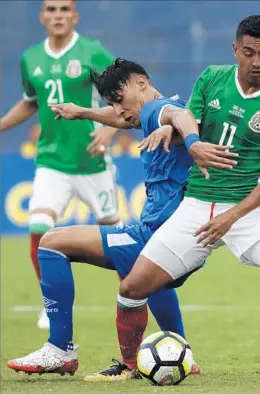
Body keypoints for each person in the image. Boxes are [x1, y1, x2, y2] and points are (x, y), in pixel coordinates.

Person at [112, 16, 260, 381]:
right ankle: (129, 365)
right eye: (248, 52)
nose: (256, 62)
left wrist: (231, 217)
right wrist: (174, 130)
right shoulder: (212, 78)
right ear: (235, 50)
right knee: (132, 287)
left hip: (248, 207)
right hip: (196, 204)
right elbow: (189, 118)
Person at [7, 58, 237, 377]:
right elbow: (134, 120)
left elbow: (178, 116)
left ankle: (60, 350)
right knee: (148, 279)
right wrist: (84, 112)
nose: (116, 109)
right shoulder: (157, 111)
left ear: (141, 83)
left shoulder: (162, 111)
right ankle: (181, 353)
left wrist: (193, 142)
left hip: (157, 232)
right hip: (176, 238)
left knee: (51, 243)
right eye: (110, 103)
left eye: (118, 99)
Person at [0, 0, 120, 329]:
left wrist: (109, 131)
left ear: (75, 16)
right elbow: (30, 102)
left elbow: (123, 95)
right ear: (42, 17)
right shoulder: (31, 59)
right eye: (51, 9)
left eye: (64, 9)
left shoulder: (92, 52)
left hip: (93, 162)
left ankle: (131, 300)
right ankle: (50, 305)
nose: (58, 15)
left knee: (117, 242)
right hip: (51, 161)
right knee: (38, 228)